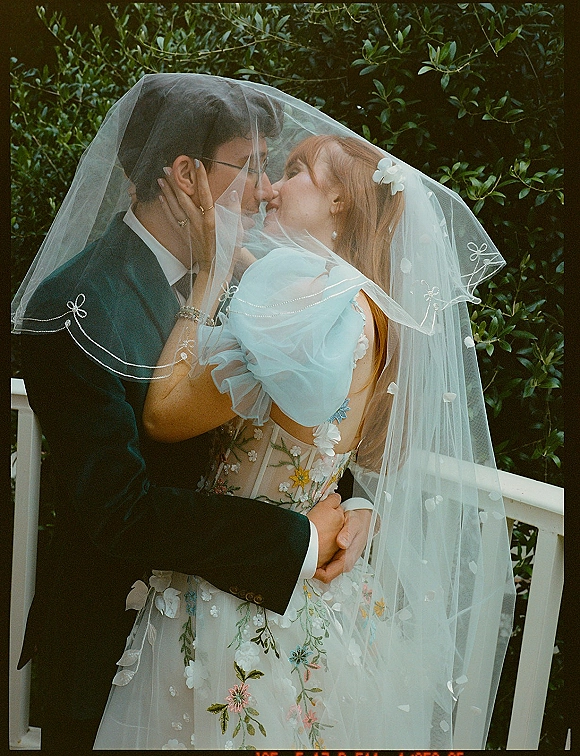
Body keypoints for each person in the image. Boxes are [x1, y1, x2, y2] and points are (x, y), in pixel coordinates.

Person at [92, 89, 516, 749]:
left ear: (339, 202)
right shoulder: (368, 309)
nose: (270, 188)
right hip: (314, 591)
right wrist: (358, 507)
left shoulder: (302, 304)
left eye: (295, 173)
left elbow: (168, 415)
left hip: (235, 597)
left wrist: (206, 279)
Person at [11, 74, 361, 752]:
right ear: (185, 175)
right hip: (112, 651)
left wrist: (356, 497)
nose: (266, 188)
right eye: (252, 166)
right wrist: (297, 540)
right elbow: (123, 510)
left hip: (224, 646)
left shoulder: (247, 274)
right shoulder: (75, 307)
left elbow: (305, 412)